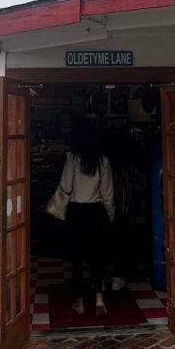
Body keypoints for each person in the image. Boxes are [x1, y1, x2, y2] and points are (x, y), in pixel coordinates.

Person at [56, 122, 115, 316]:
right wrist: (111, 214)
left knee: (77, 259)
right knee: (98, 258)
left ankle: (80, 302)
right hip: (97, 213)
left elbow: (65, 186)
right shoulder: (103, 161)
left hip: (76, 212)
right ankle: (99, 301)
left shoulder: (72, 159)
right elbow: (107, 193)